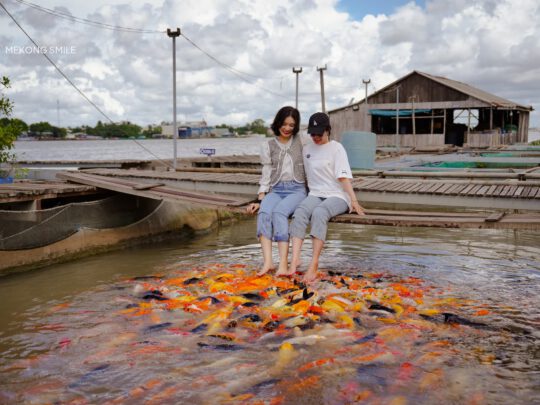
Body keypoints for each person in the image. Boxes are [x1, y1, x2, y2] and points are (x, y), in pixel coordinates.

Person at [286, 112, 365, 283]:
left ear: (328, 130)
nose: (315, 137)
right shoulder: (307, 149)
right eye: (312, 133)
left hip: (337, 195)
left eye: (319, 133)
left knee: (320, 213)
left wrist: (353, 201)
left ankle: (313, 264)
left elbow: (343, 177)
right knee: (300, 212)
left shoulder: (337, 148)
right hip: (315, 193)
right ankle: (295, 261)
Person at [246, 106, 307, 276]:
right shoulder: (268, 145)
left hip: (297, 189)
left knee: (279, 212)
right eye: (284, 124)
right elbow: (266, 173)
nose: (287, 128)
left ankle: (283, 265)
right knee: (265, 212)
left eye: (292, 125)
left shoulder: (302, 141)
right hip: (276, 189)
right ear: (278, 123)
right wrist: (260, 199)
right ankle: (268, 263)